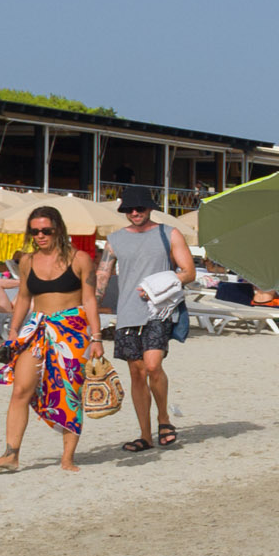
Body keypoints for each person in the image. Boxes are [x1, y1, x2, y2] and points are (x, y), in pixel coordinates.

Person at [0, 203, 96, 473]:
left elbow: (91, 299)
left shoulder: (79, 259)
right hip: (36, 329)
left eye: (46, 230)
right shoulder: (27, 260)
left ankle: (67, 457)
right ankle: (11, 454)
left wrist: (98, 337)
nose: (40, 236)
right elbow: (23, 298)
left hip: (71, 331)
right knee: (21, 389)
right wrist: (13, 332)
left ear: (58, 229)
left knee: (69, 393)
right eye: (34, 232)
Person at [99, 186, 195, 454]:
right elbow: (102, 275)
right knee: (136, 374)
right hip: (127, 314)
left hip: (158, 311)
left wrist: (160, 283)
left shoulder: (168, 233)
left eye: (139, 208)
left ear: (150, 208)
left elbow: (189, 272)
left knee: (152, 366)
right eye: (129, 209)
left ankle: (164, 418)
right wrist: (91, 306)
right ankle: (145, 435)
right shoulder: (115, 239)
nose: (134, 213)